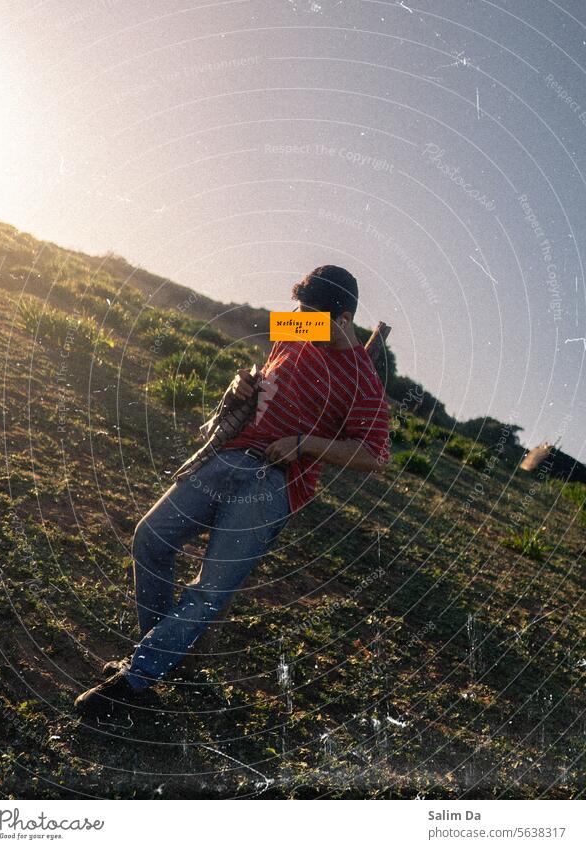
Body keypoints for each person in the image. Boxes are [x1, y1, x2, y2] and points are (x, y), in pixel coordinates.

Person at [75, 265, 390, 720]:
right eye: (300, 312)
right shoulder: (298, 323)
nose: (302, 321)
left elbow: (375, 454)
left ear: (343, 319)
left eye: (315, 317)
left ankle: (138, 677)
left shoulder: (364, 380)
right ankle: (163, 658)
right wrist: (238, 386)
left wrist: (306, 446)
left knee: (211, 589)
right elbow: (265, 373)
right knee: (151, 538)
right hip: (228, 456)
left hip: (273, 483)